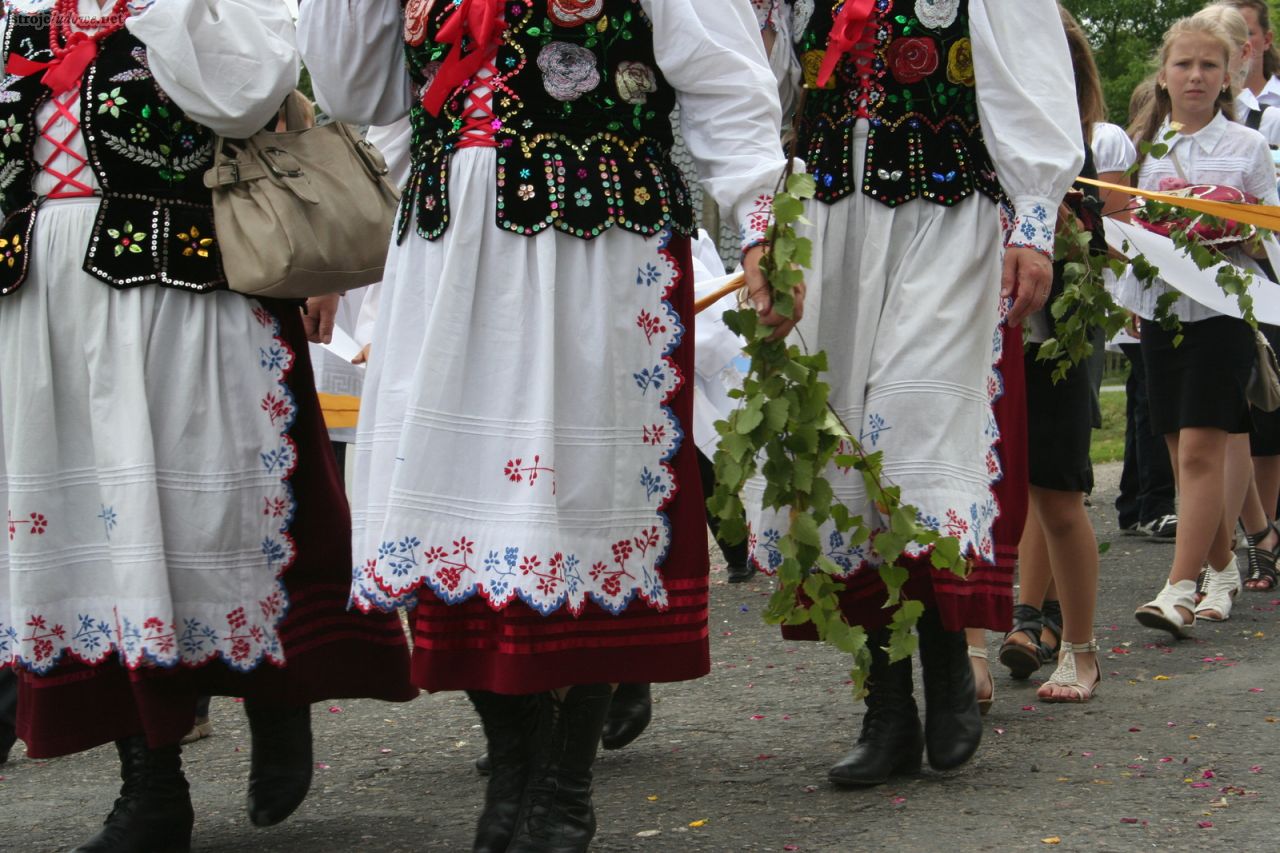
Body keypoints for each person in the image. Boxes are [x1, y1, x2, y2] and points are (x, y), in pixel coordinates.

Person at [298, 2, 795, 849]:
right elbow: (354, 87)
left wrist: (758, 226)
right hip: (450, 256)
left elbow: (723, 77)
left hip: (599, 246)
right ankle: (514, 763)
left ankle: (565, 781)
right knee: (443, 503)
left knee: (588, 508)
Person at [0, 1, 416, 850]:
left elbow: (244, 96)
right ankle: (152, 786)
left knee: (211, 527)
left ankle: (278, 687)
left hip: (184, 297)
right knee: (101, 546)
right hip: (43, 310)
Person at [745, 0, 1082, 785]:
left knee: (913, 444)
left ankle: (946, 667)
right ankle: (888, 704)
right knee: (841, 454)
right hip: (826, 227)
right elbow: (755, 88)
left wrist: (1033, 221)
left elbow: (1029, 81)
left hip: (946, 219)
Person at [1121, 13, 1280, 636]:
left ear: (1229, 77)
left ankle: (1178, 589)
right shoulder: (1151, 149)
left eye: (1208, 66)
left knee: (1200, 451)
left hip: (1224, 313)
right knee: (1176, 448)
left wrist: (1237, 223)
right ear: (1164, 75)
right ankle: (1220, 565)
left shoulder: (1247, 148)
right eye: (1183, 64)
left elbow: (1270, 234)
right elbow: (1132, 235)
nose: (1195, 75)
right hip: (1165, 316)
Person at [999, 6, 1117, 704]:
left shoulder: (1075, 159)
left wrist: (1066, 225)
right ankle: (980, 651)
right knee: (984, 493)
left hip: (1057, 343)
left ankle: (1080, 648)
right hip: (990, 332)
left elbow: (1095, 246)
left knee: (1059, 496)